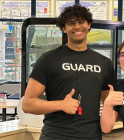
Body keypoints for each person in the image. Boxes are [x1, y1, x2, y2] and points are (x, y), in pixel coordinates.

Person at [22, 4, 116, 140]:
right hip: (55, 136)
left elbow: (109, 104)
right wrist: (60, 104)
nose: (77, 27)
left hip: (91, 136)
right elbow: (27, 104)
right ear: (64, 28)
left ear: (89, 25)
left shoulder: (104, 63)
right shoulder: (48, 59)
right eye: (71, 23)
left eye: (81, 21)